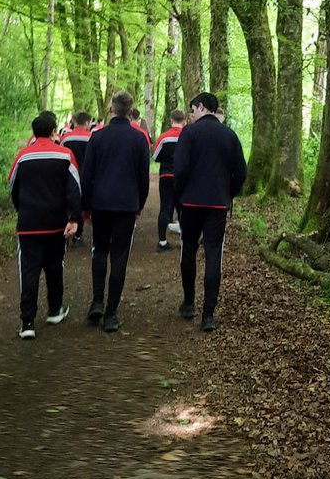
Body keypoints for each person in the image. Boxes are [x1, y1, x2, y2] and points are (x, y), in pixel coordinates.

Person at [173, 91, 247, 333]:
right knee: (214, 255)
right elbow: (241, 172)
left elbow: (180, 168)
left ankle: (189, 302)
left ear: (202, 107)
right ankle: (208, 315)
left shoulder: (189, 133)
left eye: (192, 109)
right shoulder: (229, 135)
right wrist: (228, 194)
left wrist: (181, 194)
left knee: (189, 249)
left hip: (191, 203)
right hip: (217, 204)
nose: (191, 114)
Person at [80, 90, 150, 332]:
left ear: (111, 109)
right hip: (126, 206)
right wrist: (139, 204)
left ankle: (97, 301)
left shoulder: (97, 138)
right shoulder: (139, 139)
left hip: (100, 204)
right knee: (119, 256)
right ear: (131, 112)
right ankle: (111, 313)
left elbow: (86, 175)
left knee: (100, 251)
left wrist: (85, 207)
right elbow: (144, 178)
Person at [8, 111, 81, 340]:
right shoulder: (65, 155)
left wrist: (22, 209)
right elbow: (74, 189)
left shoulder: (22, 157)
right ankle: (55, 309)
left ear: (34, 132)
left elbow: (13, 186)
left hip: (29, 223)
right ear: (53, 131)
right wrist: (74, 218)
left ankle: (27, 322)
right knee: (54, 266)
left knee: (28, 271)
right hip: (55, 223)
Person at [151, 110, 185, 251]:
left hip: (166, 176)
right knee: (182, 209)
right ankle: (184, 241)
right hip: (183, 177)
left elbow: (155, 156)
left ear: (171, 120)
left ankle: (162, 242)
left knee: (165, 208)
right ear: (183, 121)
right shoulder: (187, 136)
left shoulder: (164, 137)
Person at [59, 111, 93, 246]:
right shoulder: (91, 137)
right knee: (83, 206)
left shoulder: (66, 138)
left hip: (69, 176)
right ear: (86, 123)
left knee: (68, 204)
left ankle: (66, 232)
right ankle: (78, 236)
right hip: (86, 177)